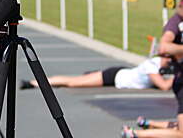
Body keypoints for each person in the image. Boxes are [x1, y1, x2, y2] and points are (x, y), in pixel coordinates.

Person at [120, 3, 183, 138]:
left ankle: (148, 124)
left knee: (178, 126)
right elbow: (163, 47)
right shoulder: (175, 23)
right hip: (182, 83)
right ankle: (134, 134)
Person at [19, 56, 173, 90]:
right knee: (72, 82)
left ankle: (38, 82)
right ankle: (33, 83)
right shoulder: (152, 66)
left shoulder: (157, 64)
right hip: (114, 76)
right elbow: (164, 86)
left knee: (75, 81)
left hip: (118, 74)